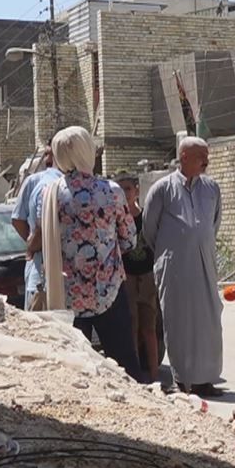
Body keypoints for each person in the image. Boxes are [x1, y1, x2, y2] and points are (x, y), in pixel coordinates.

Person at [39, 126, 143, 382]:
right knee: (124, 366)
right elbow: (129, 239)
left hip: (67, 295)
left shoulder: (50, 193)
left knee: (76, 369)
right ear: (86, 150)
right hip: (108, 291)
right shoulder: (111, 191)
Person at [143, 136, 225, 397]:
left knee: (208, 322)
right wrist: (176, 248)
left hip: (204, 263)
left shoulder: (211, 188)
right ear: (185, 157)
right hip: (174, 266)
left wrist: (198, 242)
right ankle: (182, 379)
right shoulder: (162, 189)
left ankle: (205, 380)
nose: (206, 162)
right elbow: (149, 229)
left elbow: (213, 223)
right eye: (202, 156)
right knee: (178, 321)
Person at [116, 172, 161, 384]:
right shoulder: (117, 218)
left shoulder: (145, 218)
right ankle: (135, 376)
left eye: (128, 189)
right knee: (131, 327)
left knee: (149, 329)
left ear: (136, 190)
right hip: (127, 278)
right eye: (121, 189)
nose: (125, 193)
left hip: (147, 277)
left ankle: (154, 375)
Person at [10, 143, 61, 310]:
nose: (47, 160)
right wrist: (33, 242)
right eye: (45, 154)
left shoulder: (67, 183)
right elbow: (18, 220)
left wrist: (33, 244)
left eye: (51, 154)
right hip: (39, 272)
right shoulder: (34, 182)